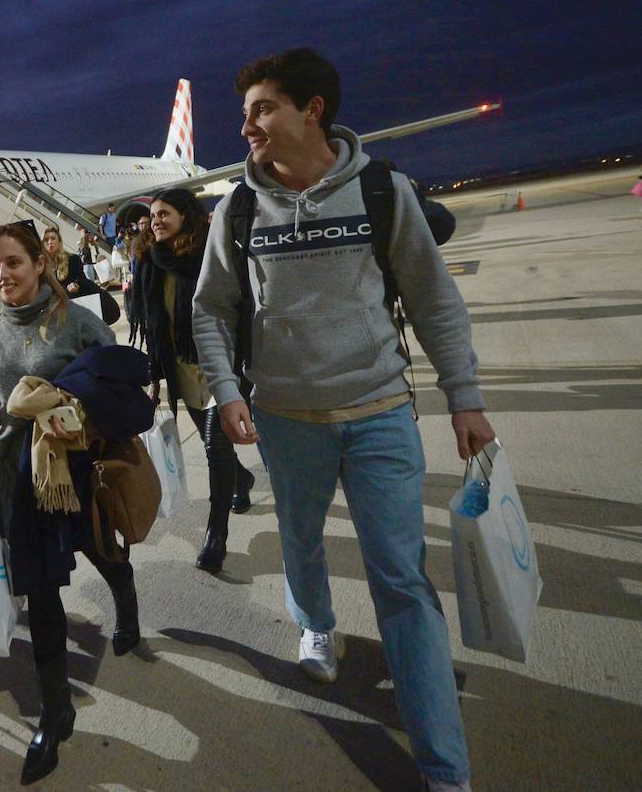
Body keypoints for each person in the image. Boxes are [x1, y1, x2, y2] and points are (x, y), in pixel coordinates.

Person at [191, 48, 495, 791]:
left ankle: (444, 767)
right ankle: (316, 622)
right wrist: (227, 389)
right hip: (285, 418)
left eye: (262, 108)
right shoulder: (236, 207)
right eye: (246, 113)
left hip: (380, 413)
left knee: (402, 580)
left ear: (311, 110)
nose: (248, 125)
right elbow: (210, 308)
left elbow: (433, 300)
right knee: (300, 542)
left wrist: (465, 395)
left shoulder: (383, 191)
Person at [0, 221, 135, 785]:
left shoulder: (78, 323)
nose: (2, 274)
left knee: (101, 555)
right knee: (43, 593)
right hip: (20, 482)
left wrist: (80, 417)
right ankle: (56, 711)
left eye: (13, 263)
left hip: (78, 474)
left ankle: (125, 599)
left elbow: (122, 388)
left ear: (39, 266)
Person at [129, 188, 255, 573]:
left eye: (164, 213)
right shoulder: (150, 260)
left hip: (219, 364)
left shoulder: (210, 255)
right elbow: (150, 321)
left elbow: (239, 305)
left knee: (215, 447)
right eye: (152, 216)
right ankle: (243, 477)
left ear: (186, 216)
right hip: (181, 367)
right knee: (211, 441)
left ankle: (216, 534)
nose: (156, 221)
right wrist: (153, 373)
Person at [43, 225, 121, 325]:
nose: (50, 242)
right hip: (56, 313)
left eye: (53, 238)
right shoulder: (40, 266)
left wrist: (75, 285)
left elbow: (81, 279)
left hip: (74, 308)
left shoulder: (72, 259)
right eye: (46, 239)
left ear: (59, 241)